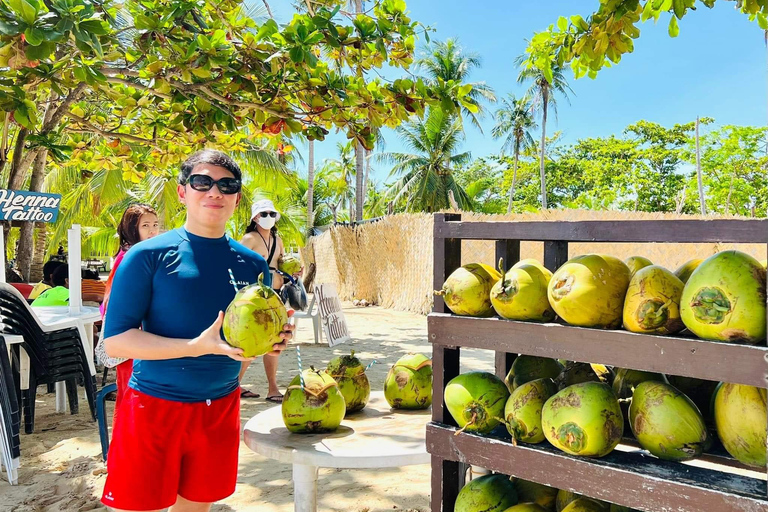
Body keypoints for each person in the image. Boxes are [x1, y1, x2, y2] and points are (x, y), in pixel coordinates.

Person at [100, 150, 294, 511]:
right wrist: (195, 346)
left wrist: (272, 341)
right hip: (154, 407)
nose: (214, 192)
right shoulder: (147, 255)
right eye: (202, 182)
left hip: (219, 408)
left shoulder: (253, 265)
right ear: (182, 191)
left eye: (227, 185)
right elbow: (116, 341)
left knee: (196, 508)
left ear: (237, 198)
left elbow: (243, 341)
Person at [95, 203, 159, 412]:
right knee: (132, 399)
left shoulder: (146, 255)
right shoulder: (129, 259)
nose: (152, 230)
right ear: (132, 229)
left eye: (155, 225)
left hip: (141, 339)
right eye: (146, 225)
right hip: (130, 339)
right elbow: (111, 304)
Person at [237, 199, 297, 402]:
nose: (268, 218)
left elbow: (282, 263)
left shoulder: (277, 240)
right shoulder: (249, 238)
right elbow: (237, 265)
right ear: (255, 218)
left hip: (277, 294)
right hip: (256, 298)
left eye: (272, 214)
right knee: (251, 341)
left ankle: (273, 388)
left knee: (277, 340)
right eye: (264, 214)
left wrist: (295, 270)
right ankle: (234, 385)